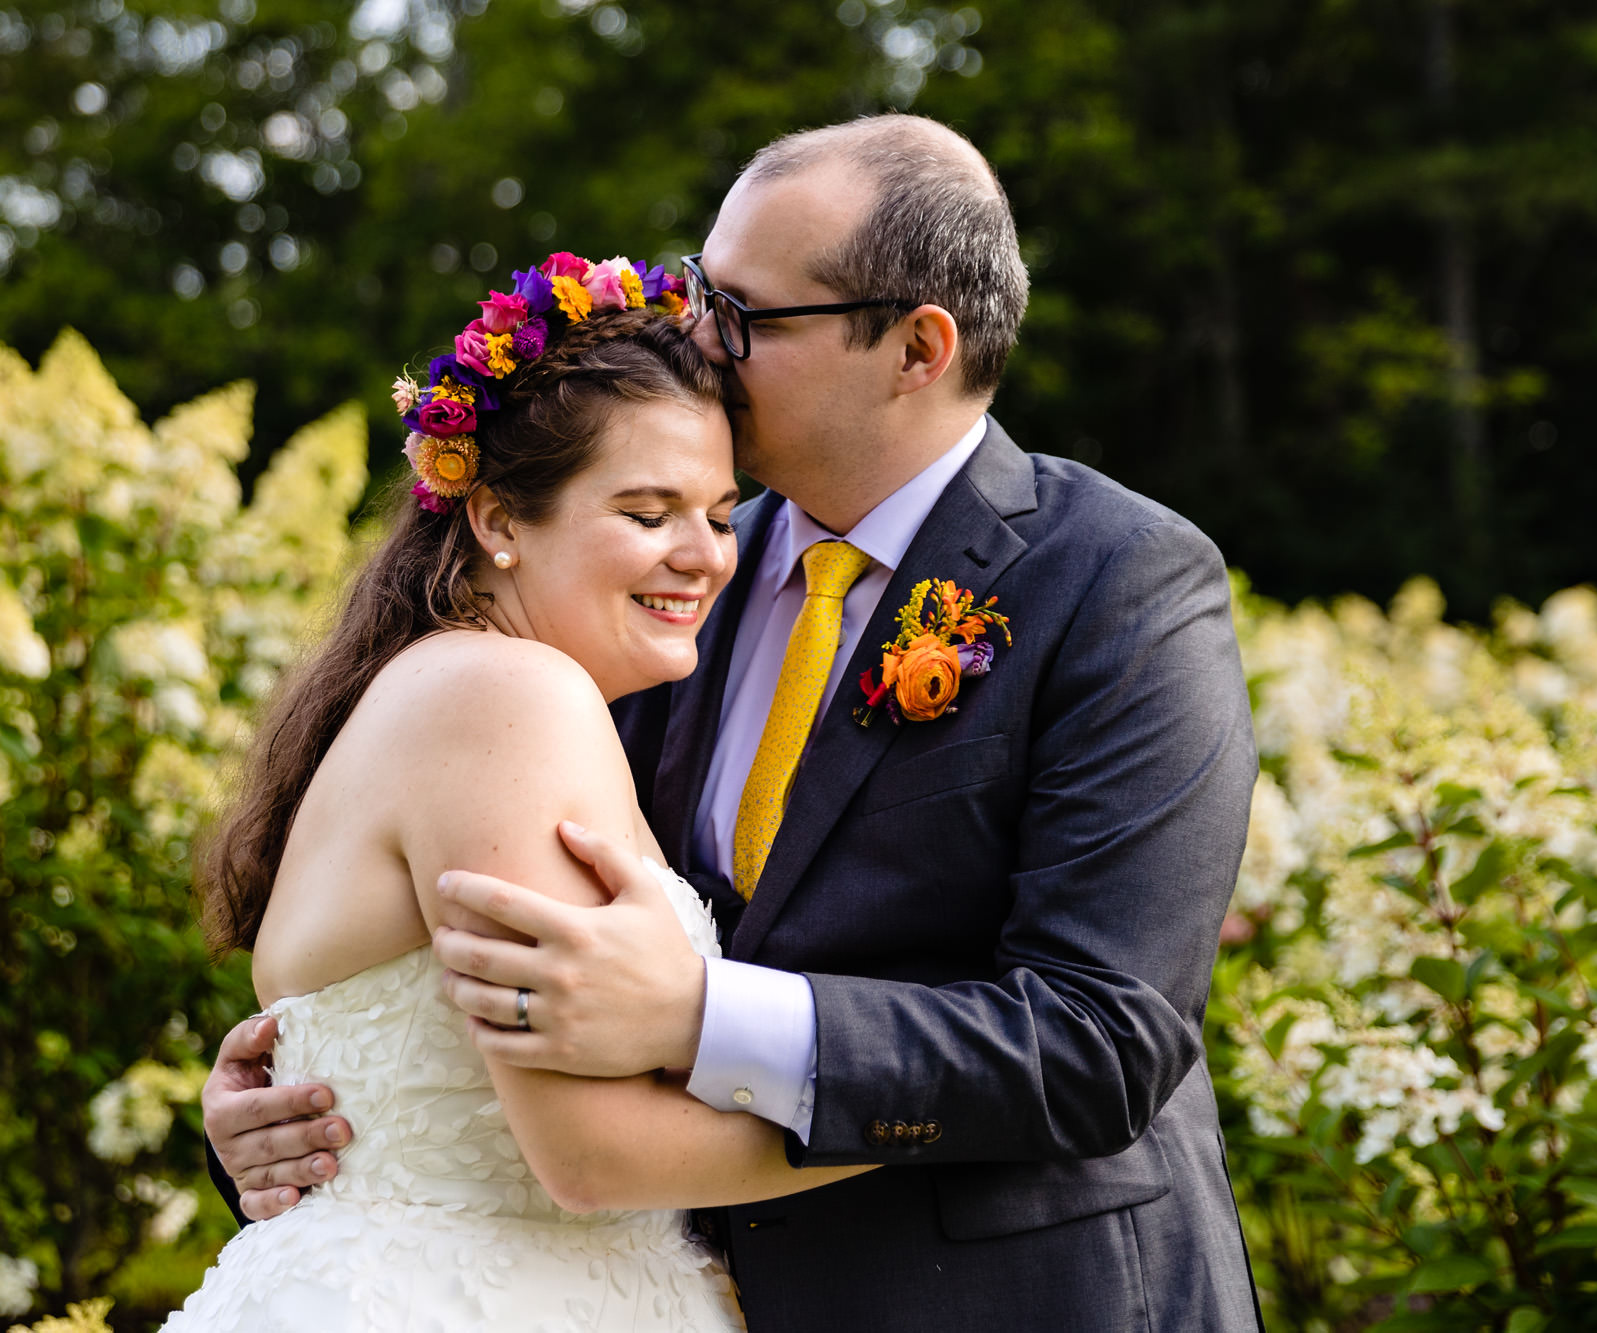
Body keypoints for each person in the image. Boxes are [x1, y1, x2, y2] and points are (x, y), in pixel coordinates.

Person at [206, 114, 1267, 1331]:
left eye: (745, 313)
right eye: (702, 291)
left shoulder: (1118, 580)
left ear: (917, 347)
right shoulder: (644, 595)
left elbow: (1100, 1041)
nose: (698, 335)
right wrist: (307, 1109)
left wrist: (706, 1016)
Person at [170, 261, 878, 1331]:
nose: (702, 557)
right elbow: (588, 1153)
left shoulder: (461, 680)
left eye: (721, 515)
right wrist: (955, 1121)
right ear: (499, 519)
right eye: (646, 512)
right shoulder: (510, 695)